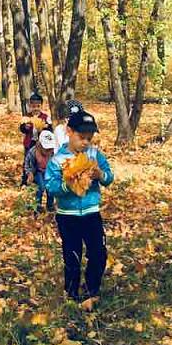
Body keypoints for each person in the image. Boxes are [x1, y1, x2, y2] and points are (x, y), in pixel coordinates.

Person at [45, 109, 114, 302]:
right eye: (81, 137)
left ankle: (92, 289)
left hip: (91, 213)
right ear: (69, 131)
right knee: (72, 256)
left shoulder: (94, 155)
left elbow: (109, 177)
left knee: (98, 253)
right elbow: (50, 186)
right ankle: (72, 293)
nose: (85, 142)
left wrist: (100, 175)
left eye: (89, 138)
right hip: (68, 215)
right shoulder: (58, 160)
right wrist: (68, 185)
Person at [19, 92, 50, 185]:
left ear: (41, 106)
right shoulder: (27, 117)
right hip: (30, 142)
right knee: (27, 160)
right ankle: (25, 179)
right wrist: (25, 127)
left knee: (38, 160)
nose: (36, 108)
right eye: (33, 106)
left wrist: (45, 127)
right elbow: (22, 128)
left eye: (38, 106)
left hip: (41, 143)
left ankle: (37, 179)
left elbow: (49, 129)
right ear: (30, 106)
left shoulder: (45, 117)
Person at [24, 128, 57, 213]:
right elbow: (27, 163)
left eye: (50, 149)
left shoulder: (53, 153)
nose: (49, 151)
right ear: (40, 145)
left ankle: (50, 205)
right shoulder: (33, 152)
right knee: (41, 187)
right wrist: (30, 173)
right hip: (38, 171)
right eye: (46, 149)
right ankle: (37, 206)